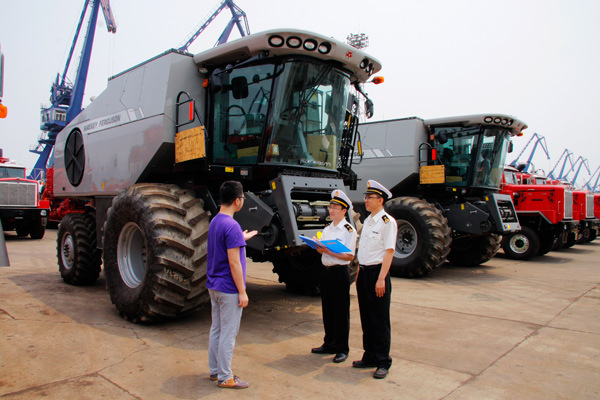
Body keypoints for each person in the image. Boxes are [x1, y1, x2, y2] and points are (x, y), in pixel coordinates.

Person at [207, 181, 257, 389]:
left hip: (214, 286)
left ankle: (215, 371)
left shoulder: (216, 221)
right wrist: (243, 292)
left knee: (217, 329)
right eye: (243, 198)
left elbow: (224, 245)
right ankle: (225, 377)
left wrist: (241, 238)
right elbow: (234, 262)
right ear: (237, 201)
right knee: (228, 333)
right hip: (229, 289)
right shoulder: (232, 226)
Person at [353, 180, 398, 379]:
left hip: (378, 274)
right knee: (366, 317)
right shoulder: (369, 220)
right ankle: (369, 355)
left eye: (369, 198)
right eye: (365, 197)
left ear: (380, 200)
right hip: (364, 273)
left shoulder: (388, 222)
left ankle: (382, 361)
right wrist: (358, 275)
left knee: (379, 319)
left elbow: (389, 252)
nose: (366, 200)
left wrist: (381, 278)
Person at [311, 189, 358, 363]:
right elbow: (322, 250)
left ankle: (342, 348)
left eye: (335, 208)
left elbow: (349, 256)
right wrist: (317, 245)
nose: (331, 210)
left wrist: (328, 250)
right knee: (328, 310)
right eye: (330, 207)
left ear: (344, 211)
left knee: (340, 312)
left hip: (339, 273)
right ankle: (329, 343)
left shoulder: (348, 230)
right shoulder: (327, 229)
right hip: (327, 272)